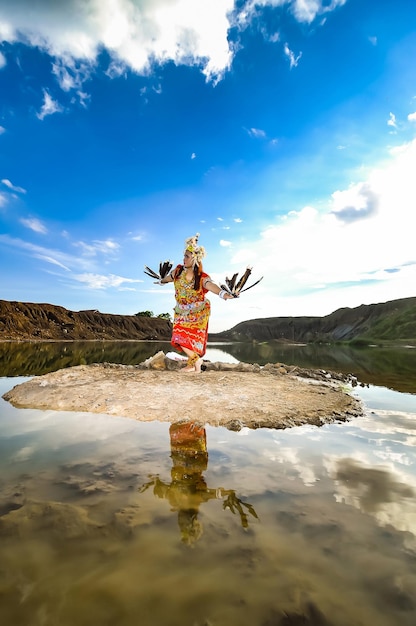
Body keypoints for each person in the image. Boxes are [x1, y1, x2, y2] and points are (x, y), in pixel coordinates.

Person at [158, 233, 234, 372]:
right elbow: (168, 278)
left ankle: (195, 362)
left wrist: (223, 293)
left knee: (188, 339)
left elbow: (210, 285)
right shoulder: (178, 272)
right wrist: (161, 280)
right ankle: (192, 364)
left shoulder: (201, 277)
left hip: (198, 313)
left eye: (187, 256)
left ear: (195, 259)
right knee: (179, 337)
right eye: (184, 256)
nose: (184, 258)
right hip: (181, 312)